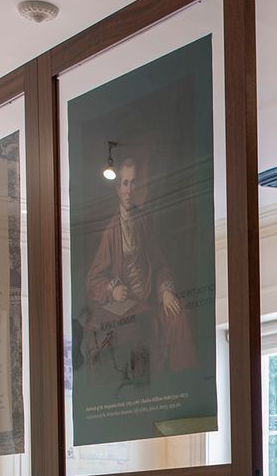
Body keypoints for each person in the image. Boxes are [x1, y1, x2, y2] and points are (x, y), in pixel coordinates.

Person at [83, 152, 196, 377]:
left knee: (177, 314)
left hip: (151, 296)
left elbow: (159, 263)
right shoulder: (110, 231)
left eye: (133, 183)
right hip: (127, 304)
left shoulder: (145, 221)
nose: (129, 189)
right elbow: (93, 278)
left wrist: (165, 291)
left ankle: (184, 382)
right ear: (118, 189)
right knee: (135, 332)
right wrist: (113, 290)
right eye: (125, 183)